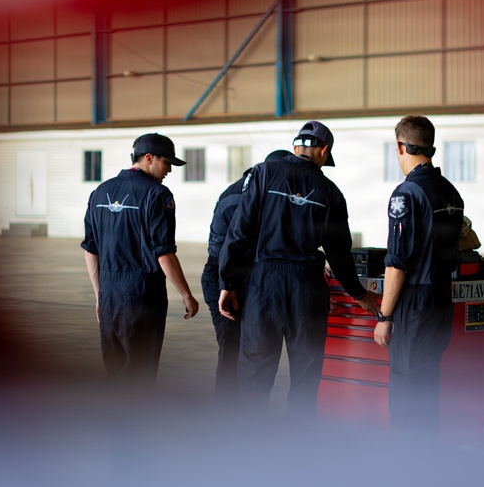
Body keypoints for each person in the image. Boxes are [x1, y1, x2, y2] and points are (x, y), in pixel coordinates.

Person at [219, 120, 379, 417]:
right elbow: (339, 252)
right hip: (307, 288)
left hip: (262, 285)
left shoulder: (264, 172)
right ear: (324, 151)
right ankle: (300, 447)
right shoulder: (330, 191)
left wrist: (228, 282)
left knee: (255, 372)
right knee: (306, 375)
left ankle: (250, 448)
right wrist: (358, 293)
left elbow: (239, 232)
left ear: (295, 146)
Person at [82, 133, 200, 384]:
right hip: (142, 296)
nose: (169, 169)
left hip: (110, 295)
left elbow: (91, 250)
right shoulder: (158, 195)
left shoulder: (99, 192)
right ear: (148, 158)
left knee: (114, 372)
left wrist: (100, 295)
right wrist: (186, 294)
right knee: (140, 373)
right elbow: (163, 253)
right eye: (166, 162)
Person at [373, 115, 464, 434]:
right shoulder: (451, 193)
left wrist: (384, 317)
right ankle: (427, 460)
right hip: (441, 301)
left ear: (399, 146)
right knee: (427, 385)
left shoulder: (406, 193)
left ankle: (406, 466)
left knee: (406, 388)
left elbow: (397, 263)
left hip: (414, 305)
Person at [201, 149, 291, 401]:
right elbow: (221, 254)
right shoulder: (237, 197)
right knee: (233, 349)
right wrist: (228, 287)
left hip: (254, 279)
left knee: (254, 351)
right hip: (226, 279)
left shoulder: (269, 193)